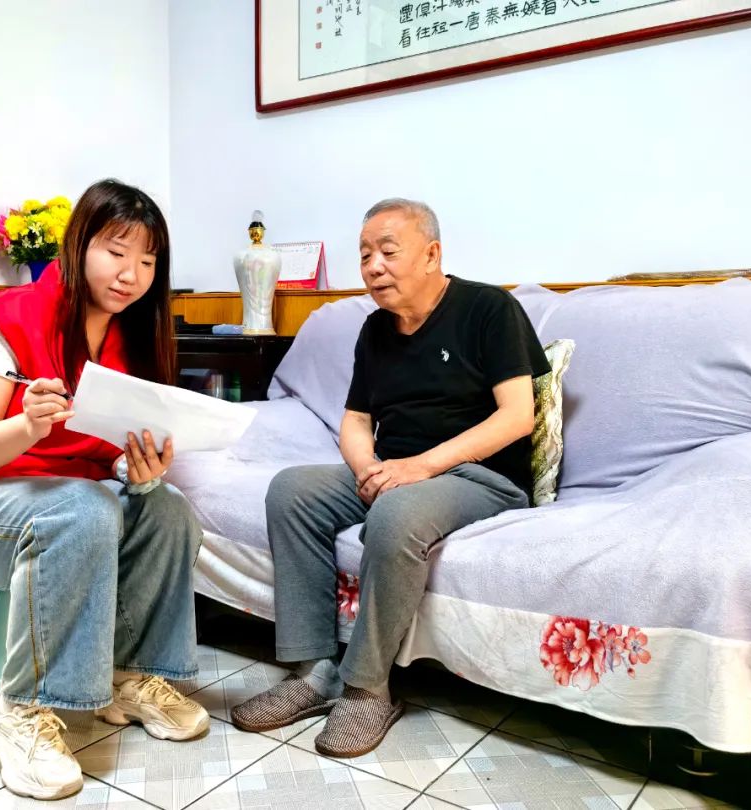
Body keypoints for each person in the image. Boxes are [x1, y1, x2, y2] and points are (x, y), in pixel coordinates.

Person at [0, 179, 208, 800]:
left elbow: (108, 456)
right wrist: (26, 426)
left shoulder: (135, 339)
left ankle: (131, 675)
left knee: (169, 508)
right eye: (116, 252)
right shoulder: (6, 317)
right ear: (78, 245)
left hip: (72, 503)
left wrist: (138, 470)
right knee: (84, 508)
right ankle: (18, 711)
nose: (131, 274)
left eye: (148, 261)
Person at [230, 198, 549, 757]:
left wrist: (419, 468)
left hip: (479, 477)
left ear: (432, 254)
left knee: (397, 513)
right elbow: (356, 420)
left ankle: (367, 687)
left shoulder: (489, 309)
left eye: (387, 252)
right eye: (364, 255)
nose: (373, 266)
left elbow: (517, 416)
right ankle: (314, 671)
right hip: (395, 470)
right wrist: (367, 470)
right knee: (292, 491)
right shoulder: (375, 328)